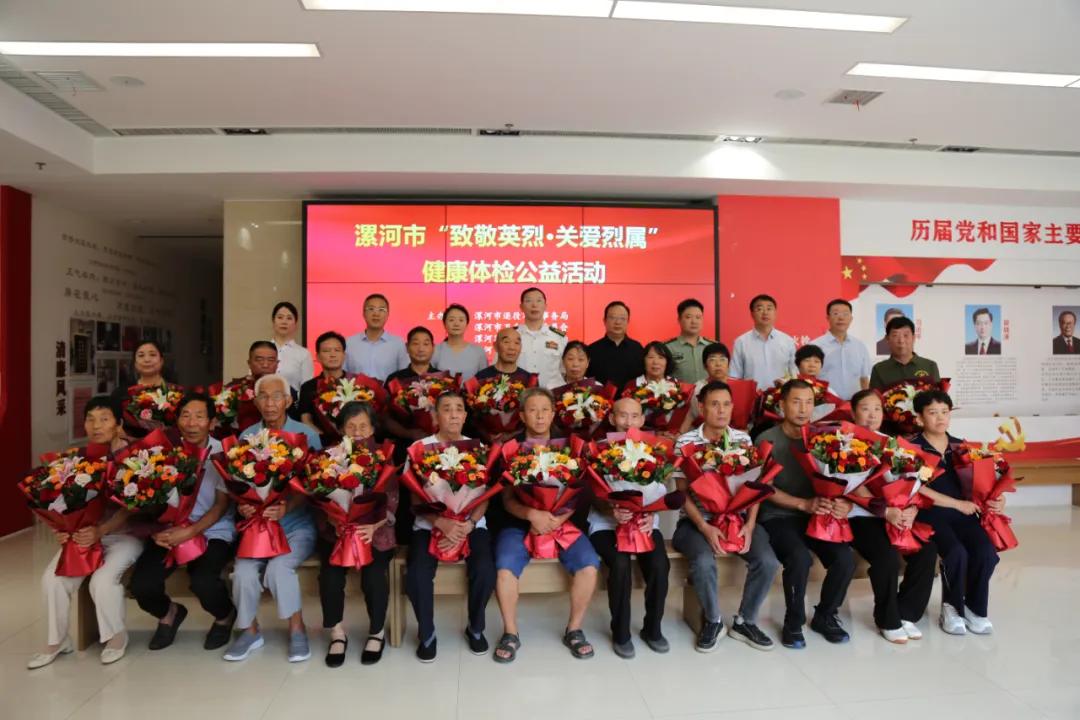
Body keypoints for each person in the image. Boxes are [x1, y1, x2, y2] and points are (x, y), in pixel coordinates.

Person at [28, 396, 143, 669]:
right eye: (90, 419)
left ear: (118, 424)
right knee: (53, 580)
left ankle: (116, 636)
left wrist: (102, 529)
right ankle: (57, 641)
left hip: (126, 535)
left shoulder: (135, 457)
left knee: (102, 581)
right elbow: (61, 503)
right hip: (85, 535)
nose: (96, 425)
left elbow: (134, 507)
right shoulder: (77, 458)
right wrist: (63, 530)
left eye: (104, 419)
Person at [493, 387, 600, 663]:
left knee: (589, 566)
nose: (539, 416)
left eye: (545, 410)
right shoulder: (511, 448)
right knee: (504, 568)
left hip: (560, 521)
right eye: (532, 410)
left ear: (553, 414)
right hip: (520, 522)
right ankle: (510, 632)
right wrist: (531, 514)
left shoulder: (570, 447)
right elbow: (506, 499)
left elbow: (579, 493)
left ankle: (574, 629)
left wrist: (556, 519)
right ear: (522, 415)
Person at [673, 382, 781, 652]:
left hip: (739, 519)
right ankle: (713, 621)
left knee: (767, 561)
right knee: (702, 561)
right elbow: (682, 494)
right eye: (714, 404)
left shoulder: (743, 440)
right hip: (697, 521)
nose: (721, 410)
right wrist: (704, 527)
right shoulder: (685, 442)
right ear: (701, 407)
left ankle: (746, 621)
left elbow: (754, 487)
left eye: (726, 404)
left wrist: (750, 525)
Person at [223, 374, 322, 663]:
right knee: (242, 573)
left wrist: (285, 508)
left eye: (277, 396)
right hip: (257, 525)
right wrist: (244, 505)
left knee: (280, 569)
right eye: (263, 397)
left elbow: (313, 485)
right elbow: (238, 483)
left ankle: (297, 629)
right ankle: (249, 631)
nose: (270, 403)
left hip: (295, 525)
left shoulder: (306, 435)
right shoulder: (246, 436)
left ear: (288, 401)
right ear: (255, 402)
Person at [129, 393, 237, 652]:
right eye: (185, 416)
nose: (191, 423)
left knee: (203, 582)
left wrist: (190, 532)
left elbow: (220, 506)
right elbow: (150, 499)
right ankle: (169, 613)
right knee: (141, 585)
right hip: (171, 529)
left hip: (212, 530)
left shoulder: (224, 453)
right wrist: (157, 529)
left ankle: (225, 616)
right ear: (177, 421)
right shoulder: (163, 452)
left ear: (212, 422)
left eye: (199, 417)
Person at [756, 379, 856, 648]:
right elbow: (763, 489)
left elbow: (842, 480)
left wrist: (841, 503)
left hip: (817, 516)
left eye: (809, 402)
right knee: (799, 558)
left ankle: (825, 615)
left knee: (845, 560)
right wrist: (802, 504)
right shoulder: (767, 440)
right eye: (796, 402)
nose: (803, 409)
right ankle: (793, 621)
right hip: (778, 517)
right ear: (782, 405)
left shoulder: (824, 439)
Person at [404, 390, 497, 662]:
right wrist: (441, 522)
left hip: (470, 524)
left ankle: (476, 627)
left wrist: (469, 524)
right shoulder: (420, 449)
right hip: (429, 524)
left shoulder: (478, 449)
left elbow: (484, 496)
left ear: (465, 416)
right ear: (435, 416)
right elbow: (414, 497)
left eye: (459, 409)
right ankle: (427, 633)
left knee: (485, 569)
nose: (453, 414)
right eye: (446, 409)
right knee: (417, 574)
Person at [847, 389, 938, 644]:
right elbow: (851, 486)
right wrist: (885, 511)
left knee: (927, 551)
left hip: (896, 514)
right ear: (853, 413)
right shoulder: (844, 443)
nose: (872, 415)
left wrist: (911, 509)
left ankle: (906, 612)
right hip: (859, 516)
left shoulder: (892, 443)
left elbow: (912, 482)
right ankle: (887, 619)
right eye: (865, 409)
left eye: (877, 409)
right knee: (886, 558)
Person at [911, 389, 1003, 635]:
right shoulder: (911, 448)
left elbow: (982, 483)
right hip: (929, 515)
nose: (940, 417)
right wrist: (955, 504)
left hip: (963, 514)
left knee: (985, 551)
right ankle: (951, 607)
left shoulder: (960, 447)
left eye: (945, 412)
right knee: (956, 553)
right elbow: (915, 488)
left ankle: (974, 608)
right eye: (933, 412)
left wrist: (997, 498)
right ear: (919, 418)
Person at [589, 397, 674, 658]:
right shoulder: (599, 449)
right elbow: (590, 494)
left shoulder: (654, 451)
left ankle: (653, 628)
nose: (628, 422)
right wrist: (611, 510)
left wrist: (651, 513)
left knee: (660, 564)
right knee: (620, 564)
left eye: (635, 416)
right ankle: (621, 632)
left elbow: (660, 491)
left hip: (645, 522)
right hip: (606, 525)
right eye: (623, 415)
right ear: (612, 418)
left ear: (642, 419)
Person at [317, 402, 397, 667]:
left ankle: (376, 632)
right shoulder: (329, 457)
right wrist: (333, 519)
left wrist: (374, 526)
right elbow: (317, 499)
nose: (358, 431)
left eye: (363, 426)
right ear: (341, 429)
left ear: (373, 428)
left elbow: (392, 500)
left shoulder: (383, 456)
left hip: (374, 530)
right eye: (351, 426)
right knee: (329, 575)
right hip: (338, 532)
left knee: (374, 575)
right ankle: (337, 633)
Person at [473, 327, 538, 443]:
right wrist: (488, 435)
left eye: (517, 343)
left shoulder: (529, 380)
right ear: (495, 346)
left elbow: (534, 415)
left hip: (520, 444)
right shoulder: (481, 377)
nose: (512, 347)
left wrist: (512, 435)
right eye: (506, 342)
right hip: (486, 443)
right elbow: (472, 418)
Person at [111, 340, 183, 438]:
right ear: (135, 363)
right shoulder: (121, 394)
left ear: (161, 361)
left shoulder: (176, 392)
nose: (147, 359)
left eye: (152, 355)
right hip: (130, 446)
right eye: (141, 355)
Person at [729, 294, 797, 391]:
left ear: (775, 313)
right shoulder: (741, 342)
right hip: (751, 397)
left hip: (781, 397)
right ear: (752, 314)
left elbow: (794, 373)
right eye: (760, 309)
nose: (765, 313)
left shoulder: (787, 341)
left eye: (769, 309)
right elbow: (735, 376)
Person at [811, 299, 872, 400]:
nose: (841, 318)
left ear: (851, 319)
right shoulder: (815, 346)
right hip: (825, 404)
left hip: (854, 404)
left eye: (845, 314)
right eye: (836, 313)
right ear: (828, 318)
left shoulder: (859, 346)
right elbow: (809, 378)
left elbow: (864, 378)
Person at [344, 293, 409, 381]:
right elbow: (342, 375)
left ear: (387, 315)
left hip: (387, 390)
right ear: (363, 313)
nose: (376, 314)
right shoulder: (349, 343)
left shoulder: (398, 344)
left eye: (381, 309)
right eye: (371, 309)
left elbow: (404, 376)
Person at [298, 330, 348, 438]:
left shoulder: (355, 383)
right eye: (326, 351)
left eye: (337, 350)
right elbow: (306, 420)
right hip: (321, 442)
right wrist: (324, 440)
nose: (332, 355)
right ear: (318, 357)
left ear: (344, 355)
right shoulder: (308, 387)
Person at [516, 286, 568, 388]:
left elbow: (565, 370)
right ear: (521, 307)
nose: (534, 305)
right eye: (528, 301)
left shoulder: (559, 337)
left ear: (545, 306)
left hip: (553, 393)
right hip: (520, 394)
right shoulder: (512, 335)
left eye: (539, 301)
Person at [869, 316, 940, 390]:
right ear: (887, 339)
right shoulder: (879, 369)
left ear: (913, 338)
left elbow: (938, 396)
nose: (901, 341)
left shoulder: (930, 366)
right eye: (895, 335)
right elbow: (874, 396)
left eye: (906, 335)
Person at [587, 300, 644, 391]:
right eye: (613, 317)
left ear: (628, 321)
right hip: (599, 399)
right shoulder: (592, 350)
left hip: (632, 399)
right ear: (604, 321)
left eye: (622, 318)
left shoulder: (637, 349)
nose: (618, 322)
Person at [665, 298, 717, 384]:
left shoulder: (713, 346)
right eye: (688, 317)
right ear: (679, 320)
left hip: (709, 392)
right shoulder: (668, 348)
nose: (694, 321)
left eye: (698, 317)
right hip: (679, 392)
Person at [432, 303, 488, 381]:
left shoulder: (478, 351)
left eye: (461, 320)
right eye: (451, 320)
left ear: (467, 324)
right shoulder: (435, 350)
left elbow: (484, 379)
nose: (456, 324)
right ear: (444, 324)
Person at [271, 301, 315, 393]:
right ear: (273, 321)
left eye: (289, 318)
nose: (284, 322)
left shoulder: (303, 354)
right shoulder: (262, 349)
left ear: (295, 323)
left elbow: (307, 388)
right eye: (280, 317)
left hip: (293, 402)